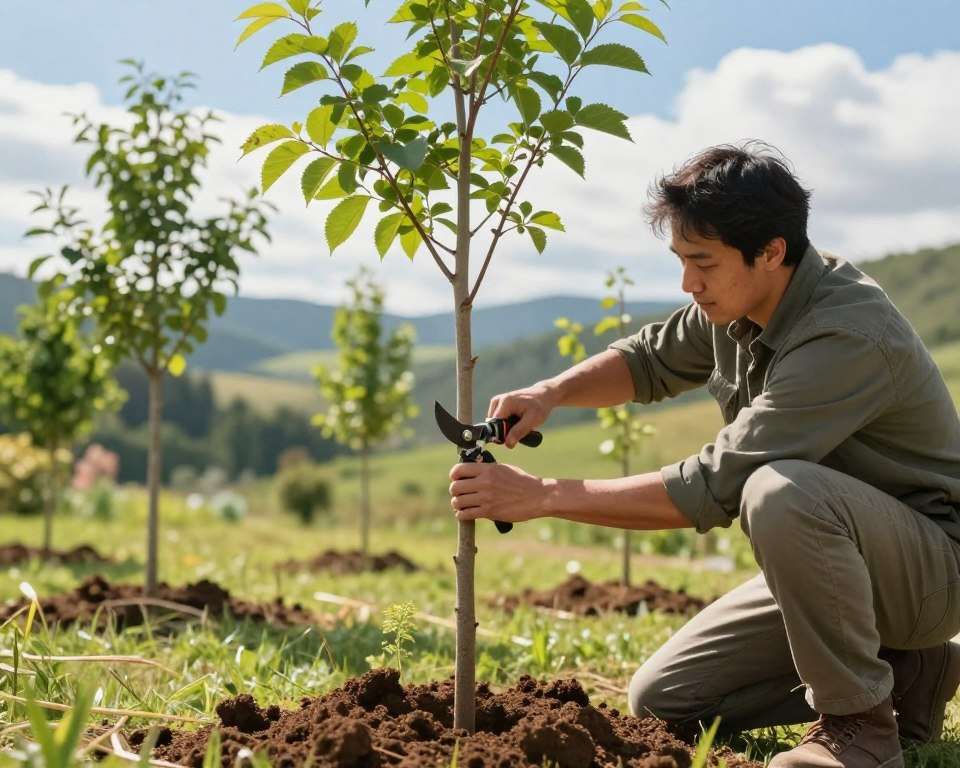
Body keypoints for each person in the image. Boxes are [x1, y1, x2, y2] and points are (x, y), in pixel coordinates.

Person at [447, 142, 960, 768]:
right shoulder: (739, 299)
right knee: (663, 699)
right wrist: (550, 393)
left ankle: (862, 730)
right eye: (681, 261)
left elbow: (718, 482)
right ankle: (909, 673)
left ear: (771, 251)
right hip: (844, 568)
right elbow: (648, 359)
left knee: (777, 488)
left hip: (934, 570)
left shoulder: (845, 333)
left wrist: (544, 496)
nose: (689, 284)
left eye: (702, 263)